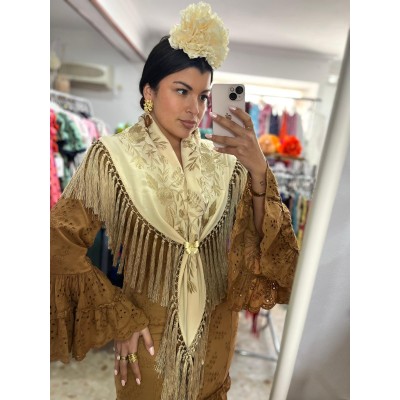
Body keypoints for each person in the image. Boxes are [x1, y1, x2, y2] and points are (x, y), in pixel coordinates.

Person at [50, 2, 299, 399]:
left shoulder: (225, 163)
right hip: (150, 344)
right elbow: (57, 245)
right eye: (181, 91)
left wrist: (257, 170)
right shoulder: (112, 158)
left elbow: (268, 247)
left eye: (203, 96)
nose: (194, 109)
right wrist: (120, 317)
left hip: (217, 342)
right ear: (149, 91)